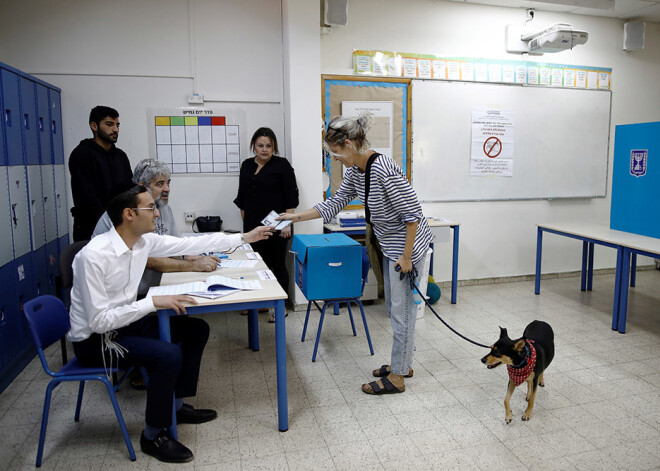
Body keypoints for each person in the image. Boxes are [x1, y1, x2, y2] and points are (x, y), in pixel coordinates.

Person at [68, 185, 273, 463]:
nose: (157, 212)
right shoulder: (93, 256)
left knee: (196, 330)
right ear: (129, 214)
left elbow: (191, 244)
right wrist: (153, 302)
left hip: (126, 323)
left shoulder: (142, 242)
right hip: (97, 340)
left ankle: (176, 406)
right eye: (150, 207)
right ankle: (153, 434)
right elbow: (99, 320)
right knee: (168, 355)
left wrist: (246, 236)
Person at [278, 114, 432, 395]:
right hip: (387, 245)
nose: (334, 158)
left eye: (335, 152)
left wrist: (407, 257)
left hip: (407, 248)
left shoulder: (383, 169)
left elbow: (412, 216)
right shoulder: (355, 172)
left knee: (401, 311)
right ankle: (404, 363)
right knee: (395, 309)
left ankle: (397, 377)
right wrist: (293, 217)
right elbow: (334, 204)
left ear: (348, 144)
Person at [93, 159, 221, 298]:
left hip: (157, 288)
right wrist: (192, 265)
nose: (167, 189)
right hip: (129, 296)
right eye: (160, 184)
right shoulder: (125, 212)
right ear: (142, 186)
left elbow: (174, 245)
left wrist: (188, 256)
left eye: (168, 183)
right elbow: (147, 259)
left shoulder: (165, 208)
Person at [234, 127, 299, 322]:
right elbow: (242, 198)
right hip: (252, 226)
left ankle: (279, 309)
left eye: (269, 146)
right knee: (255, 265)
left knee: (276, 265)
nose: (264, 149)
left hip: (277, 225)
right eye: (260, 145)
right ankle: (260, 303)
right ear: (254, 146)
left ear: (274, 147)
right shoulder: (246, 165)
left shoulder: (282, 165)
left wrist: (286, 224)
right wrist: (246, 225)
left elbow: (292, 197)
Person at [69, 105, 133, 242]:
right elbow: (87, 198)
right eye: (109, 124)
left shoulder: (121, 156)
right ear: (94, 126)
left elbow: (129, 191)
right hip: (91, 227)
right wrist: (109, 223)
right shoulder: (81, 154)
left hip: (121, 226)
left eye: (117, 125)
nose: (115, 129)